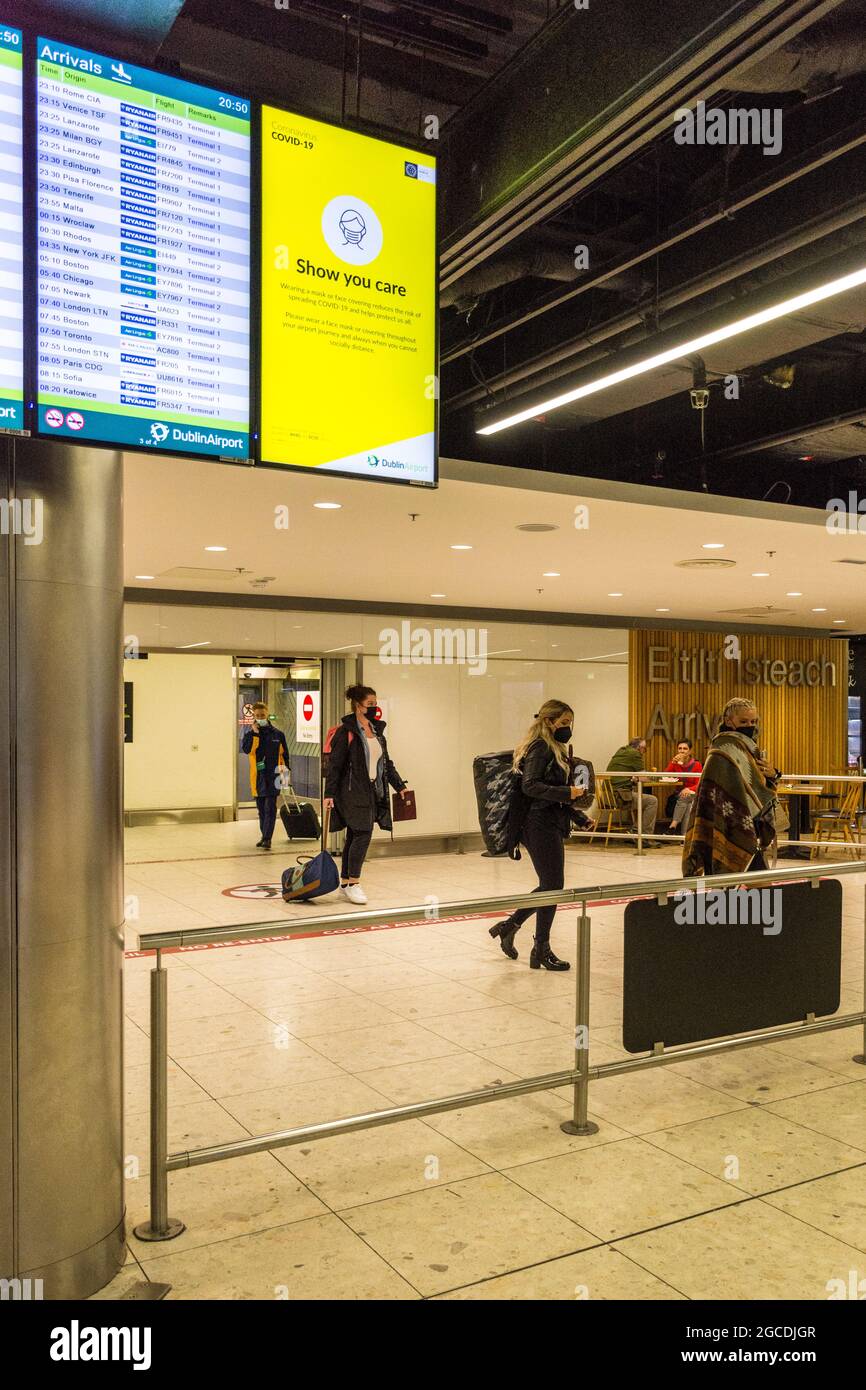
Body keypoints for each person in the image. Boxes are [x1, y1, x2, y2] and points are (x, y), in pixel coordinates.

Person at [488, 700, 586, 971]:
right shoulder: (541, 748)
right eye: (564, 723)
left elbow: (552, 789)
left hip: (550, 821)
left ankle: (512, 929)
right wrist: (568, 793)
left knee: (550, 885)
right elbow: (530, 786)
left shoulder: (556, 748)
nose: (568, 728)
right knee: (553, 885)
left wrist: (578, 815)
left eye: (570, 723)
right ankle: (540, 947)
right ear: (549, 722)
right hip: (537, 824)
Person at [323, 685, 410, 904]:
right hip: (351, 792)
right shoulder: (346, 732)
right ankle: (354, 883)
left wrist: (399, 786)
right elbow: (335, 765)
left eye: (375, 703)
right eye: (370, 704)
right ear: (358, 706)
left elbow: (386, 763)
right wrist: (329, 793)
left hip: (373, 790)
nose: (374, 708)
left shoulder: (377, 731)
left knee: (355, 834)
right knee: (363, 834)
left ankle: (345, 883)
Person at [683, 698, 781, 875]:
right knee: (742, 883)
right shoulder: (723, 748)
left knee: (756, 882)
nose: (750, 725)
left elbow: (757, 783)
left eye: (753, 721)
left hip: (749, 823)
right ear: (729, 721)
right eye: (743, 721)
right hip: (724, 822)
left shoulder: (749, 748)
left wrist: (773, 773)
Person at [241, 701, 290, 850]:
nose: (260, 717)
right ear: (254, 716)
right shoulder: (250, 735)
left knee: (270, 808)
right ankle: (264, 836)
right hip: (258, 776)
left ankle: (268, 838)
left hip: (274, 775)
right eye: (257, 715)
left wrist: (286, 779)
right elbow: (248, 750)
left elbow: (285, 756)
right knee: (261, 809)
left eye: (262, 715)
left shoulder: (278, 734)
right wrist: (255, 734)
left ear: (267, 714)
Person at [607, 737, 658, 836]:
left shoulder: (621, 750)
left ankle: (636, 831)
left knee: (644, 799)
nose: (644, 752)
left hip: (607, 796)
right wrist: (656, 777)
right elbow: (644, 778)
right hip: (620, 797)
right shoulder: (635, 754)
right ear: (640, 747)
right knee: (652, 801)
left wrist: (634, 778)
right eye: (644, 749)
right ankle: (644, 836)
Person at [664, 739, 703, 834]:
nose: (682, 751)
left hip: (694, 793)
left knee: (685, 797)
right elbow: (665, 775)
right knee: (688, 805)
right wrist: (673, 762)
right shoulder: (675, 763)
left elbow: (700, 784)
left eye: (685, 748)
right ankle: (684, 838)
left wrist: (688, 789)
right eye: (679, 748)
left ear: (690, 751)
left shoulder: (696, 764)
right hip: (681, 796)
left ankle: (673, 825)